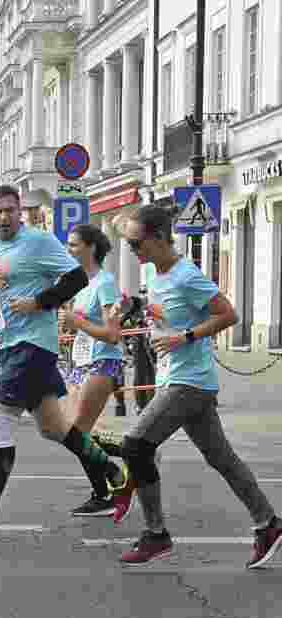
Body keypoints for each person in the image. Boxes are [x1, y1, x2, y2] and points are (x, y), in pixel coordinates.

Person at [0, 185, 127, 538]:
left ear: (20, 212)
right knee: (53, 428)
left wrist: (39, 302)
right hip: (11, 342)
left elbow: (76, 277)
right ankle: (116, 476)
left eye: (9, 210)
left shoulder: (39, 242)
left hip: (34, 344)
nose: (3, 217)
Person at [115, 205, 281, 567]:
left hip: (188, 382)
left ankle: (156, 534)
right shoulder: (156, 273)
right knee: (221, 458)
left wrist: (185, 336)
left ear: (159, 238)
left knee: (136, 446)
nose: (132, 250)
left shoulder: (186, 275)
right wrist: (135, 304)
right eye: (128, 244)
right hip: (178, 379)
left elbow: (228, 314)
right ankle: (268, 523)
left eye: (135, 242)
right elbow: (167, 312)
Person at [59, 224, 131, 519]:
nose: (69, 249)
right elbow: (79, 325)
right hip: (82, 361)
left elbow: (112, 334)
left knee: (77, 433)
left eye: (74, 245)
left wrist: (77, 323)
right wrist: (68, 324)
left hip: (104, 361)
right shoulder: (81, 283)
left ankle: (110, 485)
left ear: (91, 248)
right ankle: (126, 461)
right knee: (76, 433)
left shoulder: (105, 283)